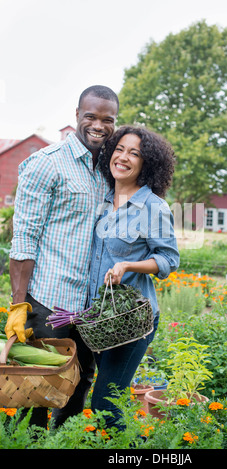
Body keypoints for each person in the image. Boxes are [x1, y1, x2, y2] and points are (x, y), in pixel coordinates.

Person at [5, 85, 119, 428]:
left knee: (80, 383)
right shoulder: (46, 164)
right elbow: (24, 237)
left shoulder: (108, 170)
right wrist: (19, 305)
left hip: (88, 307)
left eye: (108, 119)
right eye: (91, 116)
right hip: (48, 302)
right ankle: (28, 441)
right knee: (37, 389)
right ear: (77, 116)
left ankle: (63, 438)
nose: (99, 125)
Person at [88, 125, 180, 430]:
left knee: (103, 403)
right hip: (100, 319)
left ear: (146, 163)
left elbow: (169, 259)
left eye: (134, 153)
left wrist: (129, 265)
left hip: (132, 319)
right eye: (119, 149)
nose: (123, 157)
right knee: (109, 399)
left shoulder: (153, 207)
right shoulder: (101, 199)